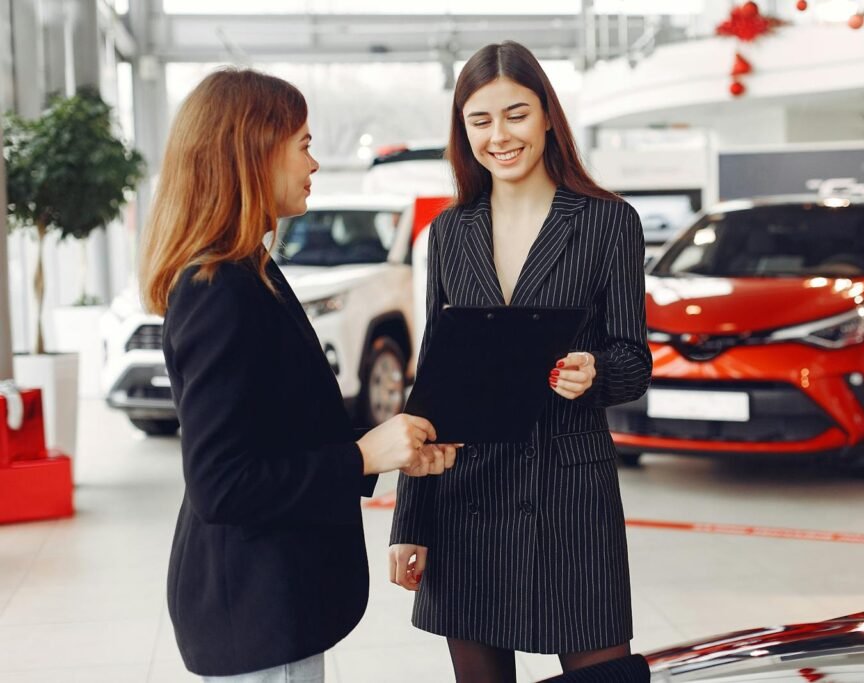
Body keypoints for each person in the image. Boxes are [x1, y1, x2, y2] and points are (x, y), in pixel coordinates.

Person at [139, 68, 457, 682]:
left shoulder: (249, 268)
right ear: (253, 150)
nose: (314, 164)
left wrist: (388, 451)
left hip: (267, 602)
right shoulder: (219, 289)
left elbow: (276, 427)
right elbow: (221, 484)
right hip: (254, 615)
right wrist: (362, 456)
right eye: (304, 144)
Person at [388, 41, 652, 682]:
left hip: (569, 494)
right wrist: (409, 521)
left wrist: (594, 373)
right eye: (480, 121)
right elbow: (435, 380)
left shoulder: (607, 222)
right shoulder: (451, 232)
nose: (499, 136)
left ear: (547, 118)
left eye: (516, 114)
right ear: (463, 130)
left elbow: (633, 360)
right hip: (467, 495)